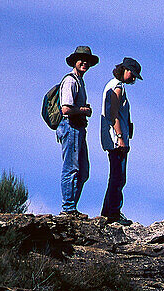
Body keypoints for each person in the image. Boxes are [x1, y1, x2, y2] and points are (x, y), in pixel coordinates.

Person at [100, 57, 142, 225]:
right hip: (117, 141)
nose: (133, 79)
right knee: (119, 176)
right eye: (132, 74)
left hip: (113, 140)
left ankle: (107, 213)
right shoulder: (117, 87)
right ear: (125, 70)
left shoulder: (113, 85)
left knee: (115, 176)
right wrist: (120, 138)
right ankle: (114, 214)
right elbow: (114, 114)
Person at [58, 45, 98, 216]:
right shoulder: (71, 81)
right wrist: (83, 111)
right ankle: (68, 208)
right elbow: (65, 109)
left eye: (87, 60)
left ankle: (71, 206)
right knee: (72, 168)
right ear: (74, 61)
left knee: (82, 170)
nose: (85, 63)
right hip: (71, 126)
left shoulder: (79, 81)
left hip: (78, 128)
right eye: (81, 60)